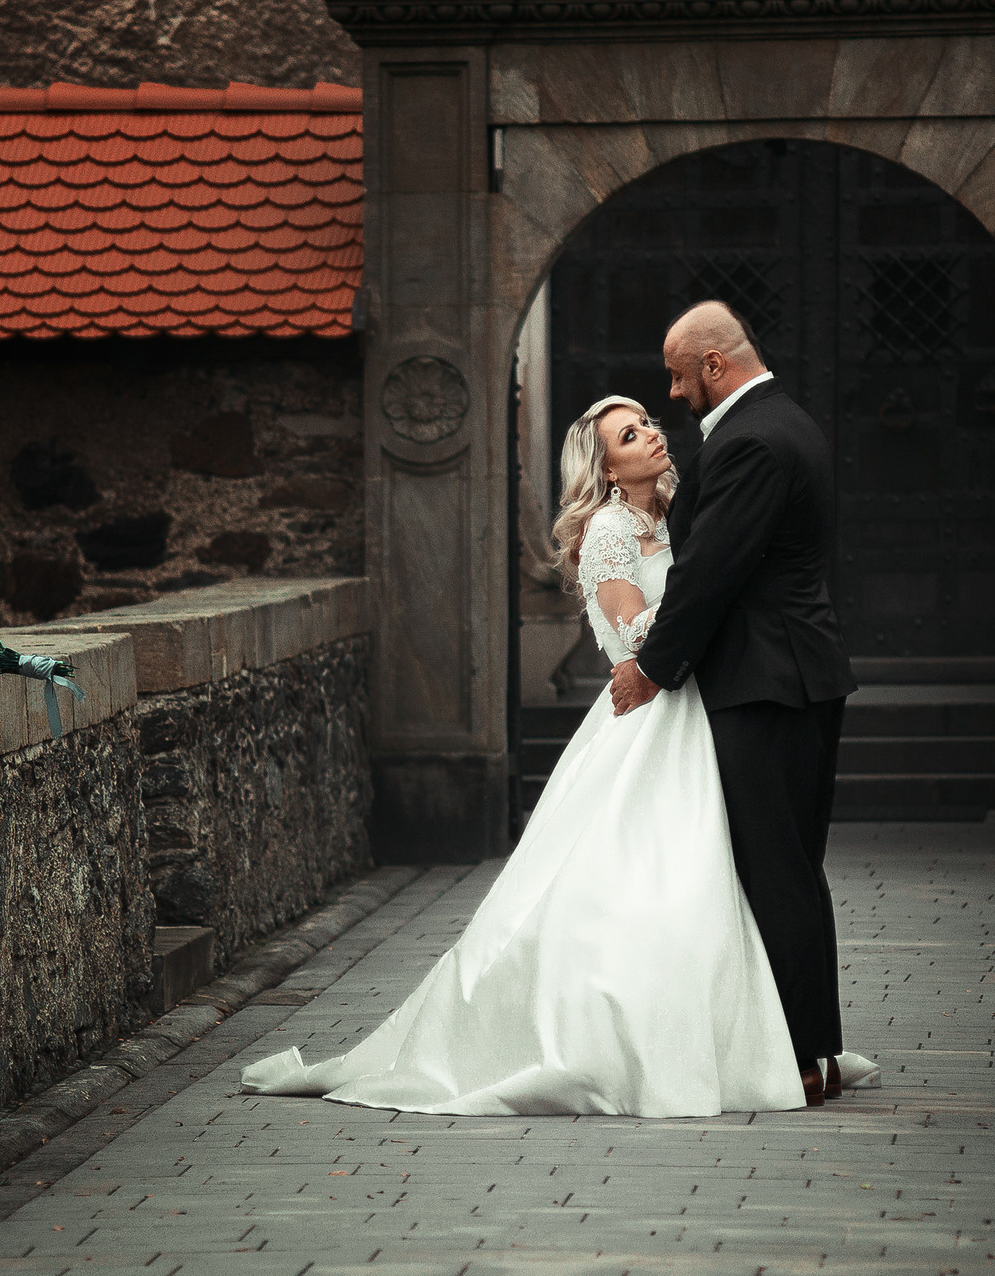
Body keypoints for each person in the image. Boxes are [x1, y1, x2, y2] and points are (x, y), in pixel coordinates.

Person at [240, 388, 867, 1116]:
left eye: (648, 425)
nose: (651, 436)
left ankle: (738, 1030)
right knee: (638, 882)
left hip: (701, 710)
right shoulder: (606, 530)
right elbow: (633, 635)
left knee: (715, 878)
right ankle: (620, 1037)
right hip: (649, 715)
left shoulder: (675, 513)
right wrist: (705, 600)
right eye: (630, 436)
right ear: (605, 469)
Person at [611, 301, 860, 1103]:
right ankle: (811, 1046)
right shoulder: (791, 421)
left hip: (766, 682)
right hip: (800, 674)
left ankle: (796, 1057)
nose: (676, 394)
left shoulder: (750, 440)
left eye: (680, 376)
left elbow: (709, 570)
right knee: (795, 867)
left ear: (714, 365)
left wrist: (652, 666)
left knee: (774, 871)